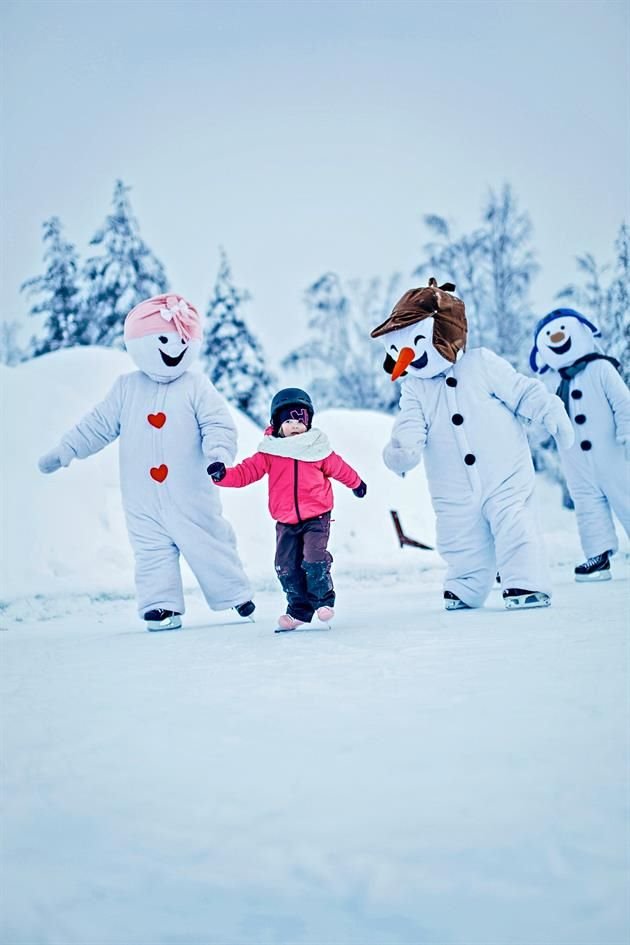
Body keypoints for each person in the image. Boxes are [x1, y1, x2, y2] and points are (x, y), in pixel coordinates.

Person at [38, 293, 255, 631]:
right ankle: (160, 606)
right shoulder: (127, 388)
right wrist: (66, 450)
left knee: (208, 543)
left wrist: (218, 456)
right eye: (164, 339)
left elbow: (218, 424)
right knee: (151, 552)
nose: (173, 347)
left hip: (191, 494)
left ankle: (235, 594)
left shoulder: (196, 385)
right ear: (137, 343)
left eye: (182, 339)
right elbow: (97, 426)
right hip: (142, 499)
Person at [371, 278, 574, 611]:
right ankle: (466, 583)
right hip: (453, 488)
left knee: (514, 523)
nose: (404, 358)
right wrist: (402, 450)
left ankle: (525, 581)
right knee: (459, 535)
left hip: (504, 476)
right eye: (396, 350)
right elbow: (410, 423)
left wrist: (550, 412)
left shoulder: (482, 364)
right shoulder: (415, 389)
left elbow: (522, 391)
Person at [207, 388, 367, 630]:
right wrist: (222, 476)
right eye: (288, 421)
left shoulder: (317, 449)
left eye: (300, 421)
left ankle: (323, 601)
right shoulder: (270, 452)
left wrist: (357, 484)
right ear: (277, 423)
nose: (295, 426)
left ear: (308, 422)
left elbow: (340, 468)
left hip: (317, 516)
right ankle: (298, 611)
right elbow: (245, 473)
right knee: (285, 566)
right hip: (285, 520)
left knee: (313, 558)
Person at [529, 307, 630, 581]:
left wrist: (626, 432)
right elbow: (542, 419)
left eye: (562, 330)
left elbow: (623, 402)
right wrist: (532, 438)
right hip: (576, 462)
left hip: (614, 455)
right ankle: (598, 556)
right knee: (588, 506)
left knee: (627, 497)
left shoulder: (601, 368)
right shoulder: (551, 383)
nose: (557, 337)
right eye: (548, 335)